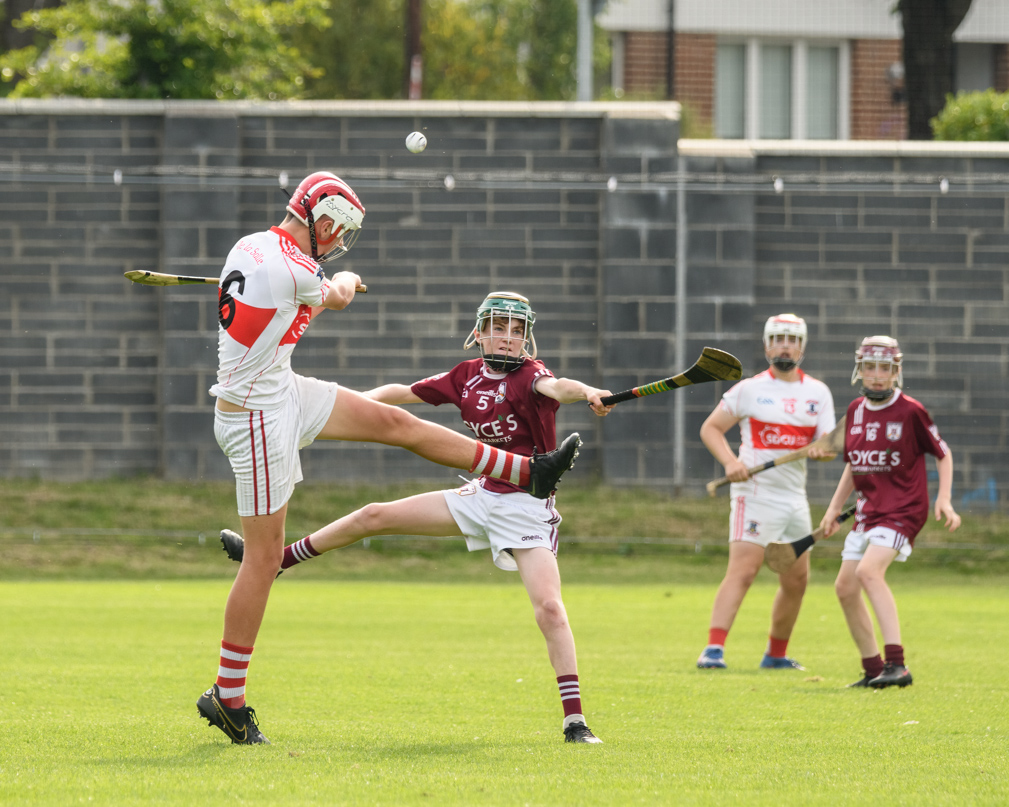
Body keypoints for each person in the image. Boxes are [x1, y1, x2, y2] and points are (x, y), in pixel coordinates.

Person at [197, 174, 582, 745]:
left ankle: (525, 471)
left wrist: (322, 284)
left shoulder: (252, 246)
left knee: (397, 423)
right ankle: (228, 698)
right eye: (341, 232)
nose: (340, 243)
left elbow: (293, 313)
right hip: (254, 415)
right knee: (262, 559)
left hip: (279, 388)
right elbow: (336, 294)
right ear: (323, 220)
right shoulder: (302, 270)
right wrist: (343, 279)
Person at [221, 291, 612, 744]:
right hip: (480, 494)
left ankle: (575, 722)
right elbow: (400, 394)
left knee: (550, 609)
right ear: (480, 332)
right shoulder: (465, 376)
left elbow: (557, 386)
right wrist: (343, 407)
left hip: (526, 505)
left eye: (516, 331)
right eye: (499, 328)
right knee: (374, 515)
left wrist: (586, 392)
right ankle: (279, 561)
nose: (507, 338)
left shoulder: (531, 376)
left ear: (527, 339)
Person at [696, 314, 836, 671]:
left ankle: (775, 654)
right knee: (744, 570)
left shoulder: (817, 393)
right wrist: (730, 463)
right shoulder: (748, 389)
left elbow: (830, 443)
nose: (785, 345)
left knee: (797, 578)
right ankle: (713, 650)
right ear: (766, 345)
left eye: (792, 339)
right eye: (777, 338)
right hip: (754, 493)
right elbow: (711, 429)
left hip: (794, 500)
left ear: (802, 346)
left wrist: (823, 449)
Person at [820, 336, 960, 689]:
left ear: (897, 371)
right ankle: (873, 669)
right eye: (870, 367)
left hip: (904, 509)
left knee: (869, 572)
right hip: (868, 511)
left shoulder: (911, 410)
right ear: (859, 370)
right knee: (844, 588)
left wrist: (944, 498)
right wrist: (835, 509)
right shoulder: (854, 411)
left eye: (886, 368)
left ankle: (898, 665)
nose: (878, 375)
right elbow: (854, 465)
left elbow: (942, 453)